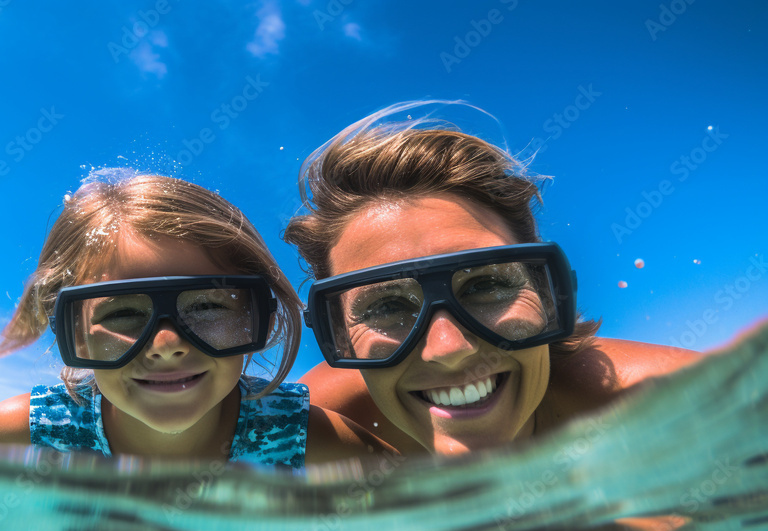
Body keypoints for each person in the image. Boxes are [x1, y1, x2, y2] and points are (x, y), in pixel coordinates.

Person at [284, 102, 701, 457]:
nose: (448, 350)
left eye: (487, 286)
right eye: (387, 307)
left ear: (548, 295)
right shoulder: (310, 429)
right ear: (339, 335)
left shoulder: (675, 406)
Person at [0, 171, 393, 468]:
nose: (165, 343)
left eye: (207, 307)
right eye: (121, 313)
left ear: (260, 317)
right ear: (70, 331)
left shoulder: (304, 438)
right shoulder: (25, 435)